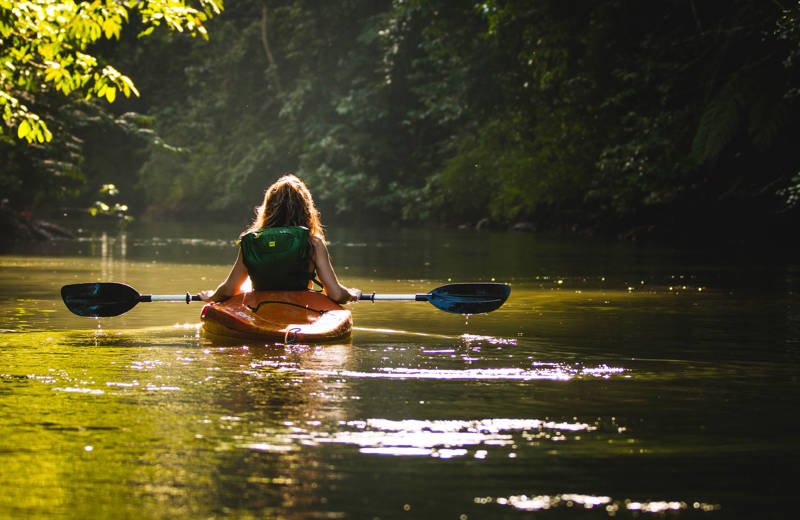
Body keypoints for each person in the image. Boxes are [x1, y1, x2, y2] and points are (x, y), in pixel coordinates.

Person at [199, 174, 360, 304]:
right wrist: (352, 294)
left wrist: (211, 296)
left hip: (260, 311)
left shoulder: (252, 242)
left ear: (268, 208)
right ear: (306, 209)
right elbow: (336, 295)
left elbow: (229, 289)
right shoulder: (313, 243)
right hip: (301, 310)